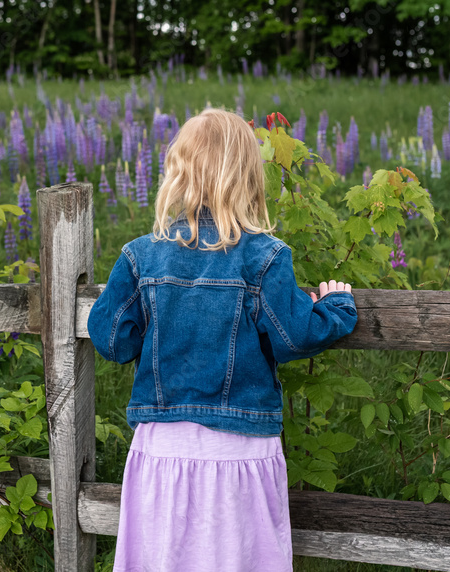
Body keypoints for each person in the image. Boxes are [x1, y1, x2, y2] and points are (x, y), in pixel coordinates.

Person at [87, 107, 357, 572]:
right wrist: (335, 308)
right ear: (248, 178)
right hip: (240, 453)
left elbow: (112, 340)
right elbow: (295, 336)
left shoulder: (140, 256)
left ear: (179, 173)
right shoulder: (265, 257)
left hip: (161, 452)